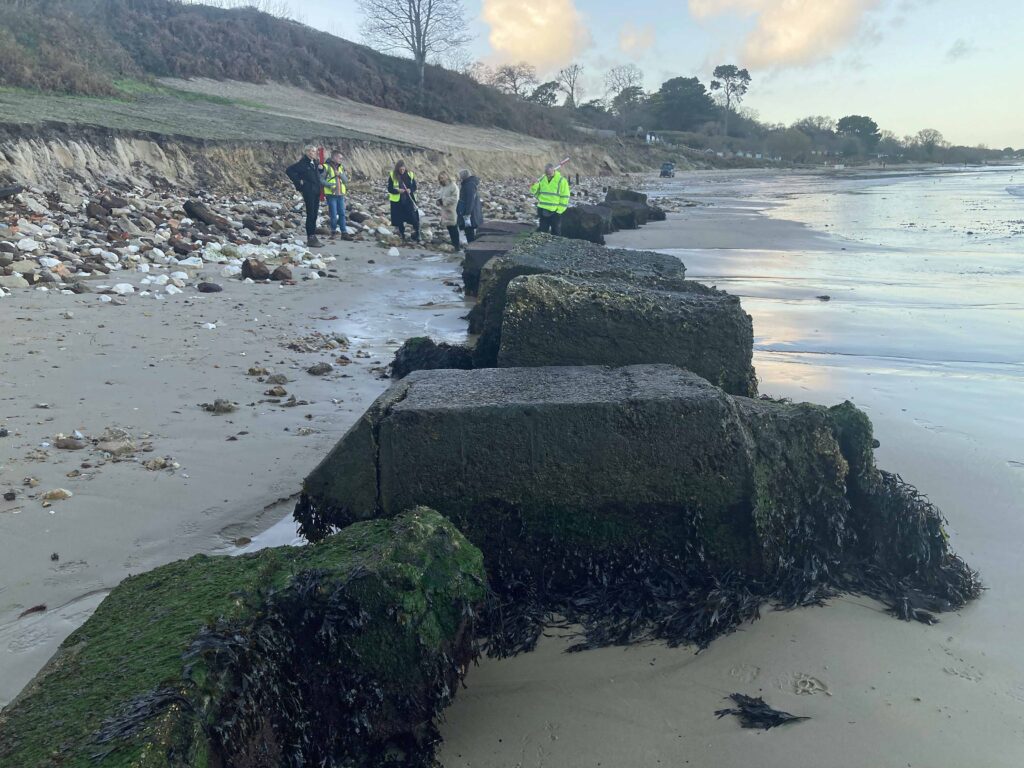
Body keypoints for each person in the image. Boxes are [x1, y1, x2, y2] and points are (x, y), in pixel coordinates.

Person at [286, 144, 324, 247]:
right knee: (310, 213)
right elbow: (289, 170)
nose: (315, 153)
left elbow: (317, 174)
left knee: (315, 214)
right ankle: (310, 237)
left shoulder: (315, 163)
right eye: (312, 151)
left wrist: (321, 169)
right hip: (308, 191)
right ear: (307, 152)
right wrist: (299, 182)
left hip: (316, 191)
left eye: (315, 151)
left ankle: (313, 235)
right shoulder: (302, 163)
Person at [530, 162, 571, 235]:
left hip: (555, 211)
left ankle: (555, 245)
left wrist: (559, 210)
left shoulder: (561, 181)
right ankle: (542, 245)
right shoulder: (542, 179)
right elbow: (534, 192)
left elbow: (565, 196)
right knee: (543, 231)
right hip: (542, 209)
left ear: (553, 170)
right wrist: (534, 184)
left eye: (549, 173)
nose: (547, 175)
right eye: (546, 173)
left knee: (556, 231)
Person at [320, 150, 351, 240]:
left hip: (340, 194)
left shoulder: (340, 168)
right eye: (339, 158)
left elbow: (345, 181)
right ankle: (333, 232)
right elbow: (321, 180)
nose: (341, 159)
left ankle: (344, 233)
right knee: (333, 214)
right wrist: (330, 185)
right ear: (334, 157)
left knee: (342, 214)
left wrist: (340, 174)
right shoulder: (326, 167)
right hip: (331, 194)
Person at [387, 160, 420, 242]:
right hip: (397, 201)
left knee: (414, 217)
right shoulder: (392, 175)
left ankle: (417, 233)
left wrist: (410, 190)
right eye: (400, 169)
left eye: (403, 169)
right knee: (399, 219)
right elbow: (389, 189)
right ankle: (402, 234)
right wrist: (397, 191)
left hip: (409, 200)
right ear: (397, 169)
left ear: (405, 168)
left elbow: (415, 186)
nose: (402, 171)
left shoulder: (410, 175)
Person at [457, 168, 483, 243]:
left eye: (459, 176)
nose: (459, 177)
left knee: (469, 232)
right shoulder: (470, 183)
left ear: (463, 176)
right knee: (469, 232)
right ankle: (472, 249)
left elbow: (470, 200)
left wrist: (467, 214)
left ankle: (472, 250)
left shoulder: (469, 185)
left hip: (470, 213)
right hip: (471, 212)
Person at [437, 171, 461, 252]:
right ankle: (454, 244)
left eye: (442, 177)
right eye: (440, 178)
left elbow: (455, 198)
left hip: (452, 209)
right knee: (449, 227)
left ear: (447, 176)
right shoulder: (443, 187)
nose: (441, 179)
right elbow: (440, 197)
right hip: (445, 210)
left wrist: (444, 201)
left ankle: (457, 246)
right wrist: (438, 201)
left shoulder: (453, 186)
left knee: (453, 227)